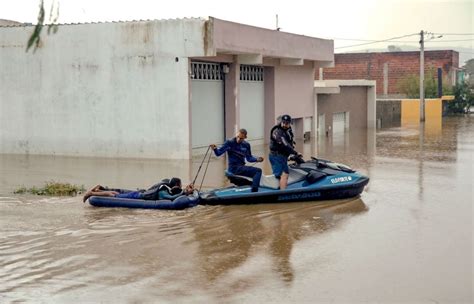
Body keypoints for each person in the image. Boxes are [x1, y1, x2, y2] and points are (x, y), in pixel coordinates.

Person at [82, 177, 194, 203]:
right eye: (180, 185)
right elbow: (170, 198)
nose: (180, 187)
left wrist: (185, 190)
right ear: (176, 185)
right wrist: (184, 192)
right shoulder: (163, 190)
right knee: (115, 195)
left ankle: (99, 189)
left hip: (140, 193)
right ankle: (91, 193)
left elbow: (174, 192)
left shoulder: (166, 186)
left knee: (117, 193)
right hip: (139, 196)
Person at [269, 114, 302, 190]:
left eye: (287, 123)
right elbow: (285, 145)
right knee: (283, 174)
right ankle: (282, 193)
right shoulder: (277, 131)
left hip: (282, 156)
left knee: (285, 174)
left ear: (290, 123)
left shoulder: (288, 130)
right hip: (276, 156)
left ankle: (281, 188)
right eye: (283, 122)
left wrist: (291, 155)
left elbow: (289, 142)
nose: (284, 124)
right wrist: (295, 153)